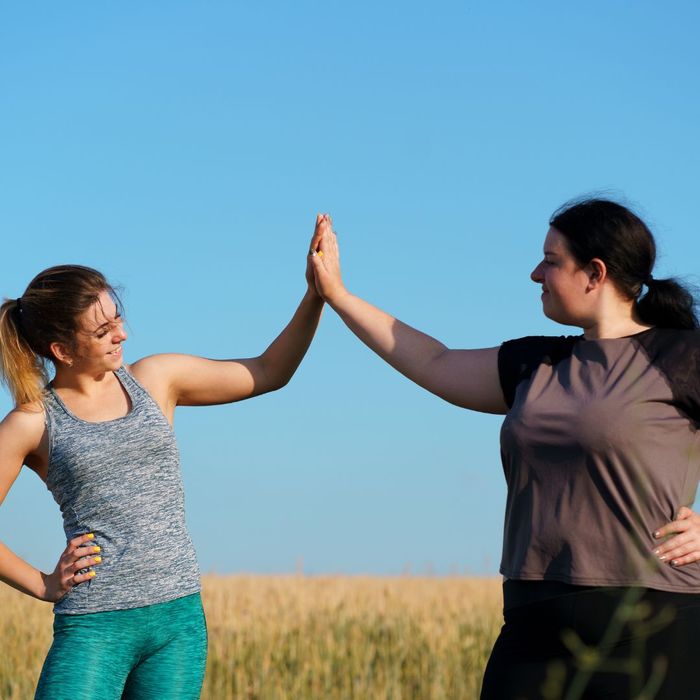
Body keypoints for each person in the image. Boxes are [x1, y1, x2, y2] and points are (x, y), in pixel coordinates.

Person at [307, 202, 700, 699]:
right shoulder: (533, 363)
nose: (536, 273)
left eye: (551, 260)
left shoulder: (684, 357)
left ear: (594, 273)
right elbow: (434, 361)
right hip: (533, 623)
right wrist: (338, 295)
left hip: (655, 625)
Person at [0, 216, 326, 699]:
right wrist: (44, 584)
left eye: (119, 318)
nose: (122, 334)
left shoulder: (158, 379)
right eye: (104, 329)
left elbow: (269, 370)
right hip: (94, 628)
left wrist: (315, 295)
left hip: (177, 623)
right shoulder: (31, 422)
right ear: (62, 349)